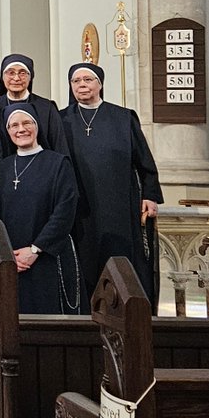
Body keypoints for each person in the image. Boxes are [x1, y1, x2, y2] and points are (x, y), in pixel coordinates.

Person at [60, 62, 163, 301]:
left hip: (118, 206)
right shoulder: (61, 119)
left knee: (120, 260)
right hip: (79, 207)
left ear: (100, 84)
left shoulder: (123, 117)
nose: (82, 85)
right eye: (76, 81)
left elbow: (144, 161)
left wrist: (150, 195)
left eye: (88, 80)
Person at [0, 103, 82, 314]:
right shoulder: (3, 167)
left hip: (48, 258)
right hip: (12, 260)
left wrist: (35, 249)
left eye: (27, 123)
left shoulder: (58, 163)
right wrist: (6, 253)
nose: (21, 129)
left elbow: (65, 211)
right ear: (7, 131)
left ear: (37, 126)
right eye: (13, 125)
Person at [0, 54, 70, 156]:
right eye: (11, 73)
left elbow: (59, 144)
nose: (16, 78)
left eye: (22, 73)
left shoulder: (46, 107)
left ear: (30, 77)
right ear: (2, 77)